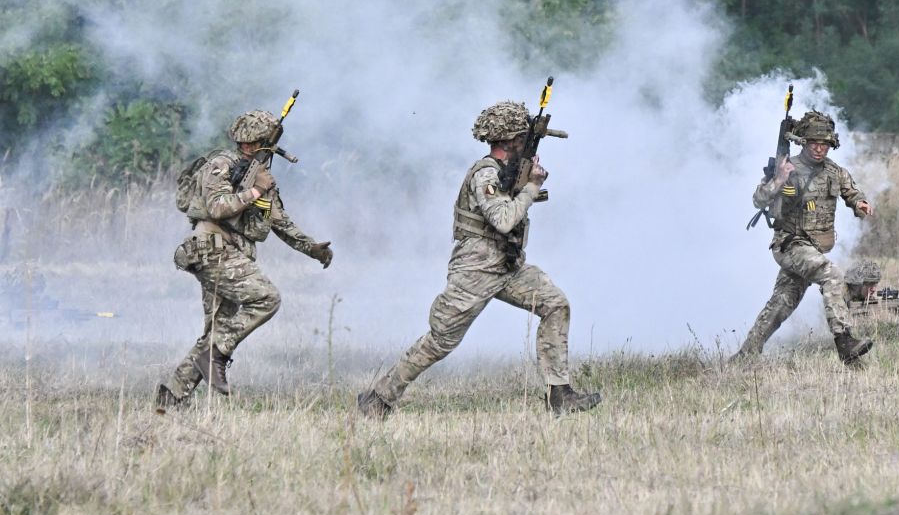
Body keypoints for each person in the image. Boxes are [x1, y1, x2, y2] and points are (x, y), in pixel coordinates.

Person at [357, 101, 601, 418]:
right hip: (475, 269)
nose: (525, 141)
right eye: (522, 136)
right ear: (510, 138)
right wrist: (531, 188)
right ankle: (378, 399)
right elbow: (502, 219)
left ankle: (560, 395)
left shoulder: (505, 172)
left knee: (555, 304)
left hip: (506, 264)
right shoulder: (485, 173)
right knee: (439, 342)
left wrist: (525, 187)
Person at [156, 110, 333, 410]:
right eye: (266, 143)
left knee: (218, 330)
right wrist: (256, 190)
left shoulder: (261, 175)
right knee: (267, 298)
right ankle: (214, 356)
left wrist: (312, 248)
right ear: (250, 144)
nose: (272, 149)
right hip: (211, 250)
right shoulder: (221, 166)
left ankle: (172, 396)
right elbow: (217, 207)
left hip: (229, 253)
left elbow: (279, 222)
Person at [731, 111, 875, 366]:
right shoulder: (787, 167)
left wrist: (860, 204)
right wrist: (779, 179)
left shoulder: (835, 172)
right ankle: (845, 342)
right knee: (831, 275)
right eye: (814, 143)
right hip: (790, 244)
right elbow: (759, 200)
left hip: (813, 248)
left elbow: (852, 193)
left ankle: (744, 356)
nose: (819, 149)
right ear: (804, 143)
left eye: (824, 144)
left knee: (782, 303)